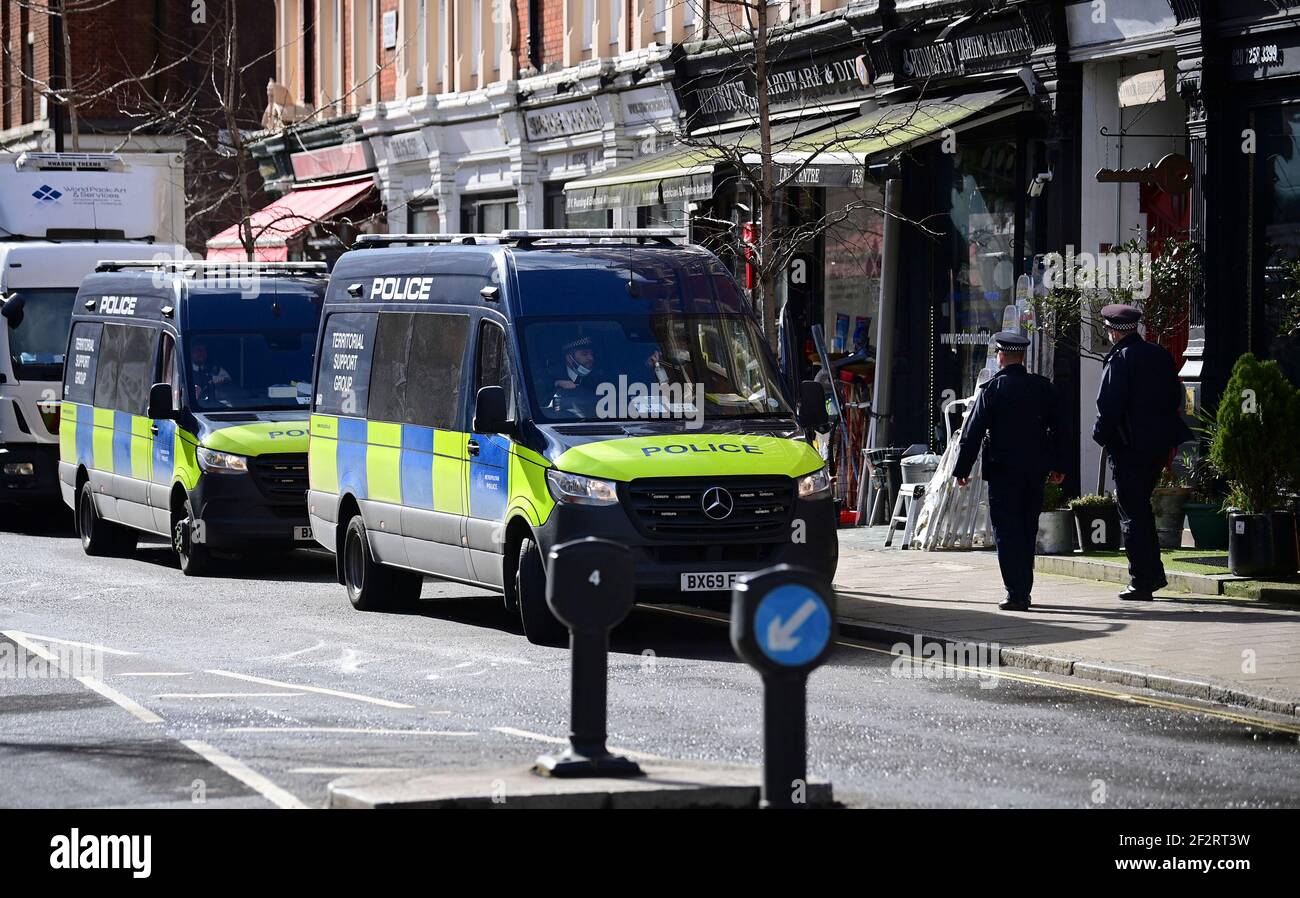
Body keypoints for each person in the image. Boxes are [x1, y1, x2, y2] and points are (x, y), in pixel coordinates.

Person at [953, 332, 1066, 612]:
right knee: (1027, 529)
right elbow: (1062, 430)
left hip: (1003, 471)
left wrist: (962, 469)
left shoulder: (992, 389)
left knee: (1006, 531)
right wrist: (1059, 465)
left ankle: (1015, 592)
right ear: (1023, 356)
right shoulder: (1042, 387)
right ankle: (1023, 589)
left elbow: (972, 433)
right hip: (1034, 471)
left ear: (1001, 356)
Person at [1092, 303, 1193, 601]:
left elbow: (1108, 406)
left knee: (1132, 512)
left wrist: (1100, 436)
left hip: (1129, 447)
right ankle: (1152, 574)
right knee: (1141, 509)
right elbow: (1176, 395)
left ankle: (1142, 580)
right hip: (1158, 446)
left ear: (1113, 331)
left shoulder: (1120, 359)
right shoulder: (1158, 353)